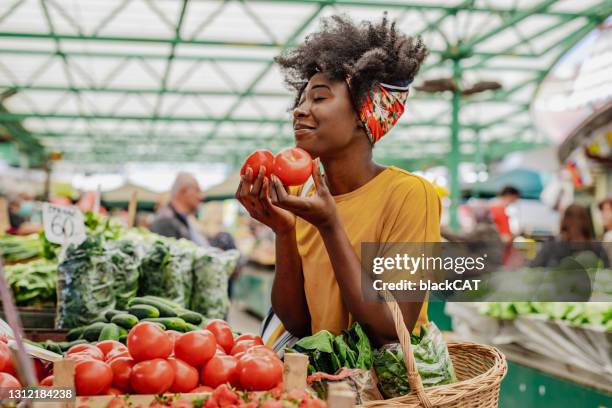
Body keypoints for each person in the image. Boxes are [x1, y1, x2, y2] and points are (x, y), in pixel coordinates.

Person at [236, 15, 439, 347]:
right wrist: (284, 231)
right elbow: (299, 322)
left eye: (318, 98)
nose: (299, 111)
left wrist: (330, 226)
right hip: (324, 386)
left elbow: (391, 328)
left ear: (365, 112)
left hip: (385, 393)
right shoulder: (305, 196)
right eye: (300, 101)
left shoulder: (408, 195)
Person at [150, 172, 207, 246]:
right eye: (197, 190)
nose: (201, 197)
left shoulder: (184, 220)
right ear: (184, 191)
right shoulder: (165, 222)